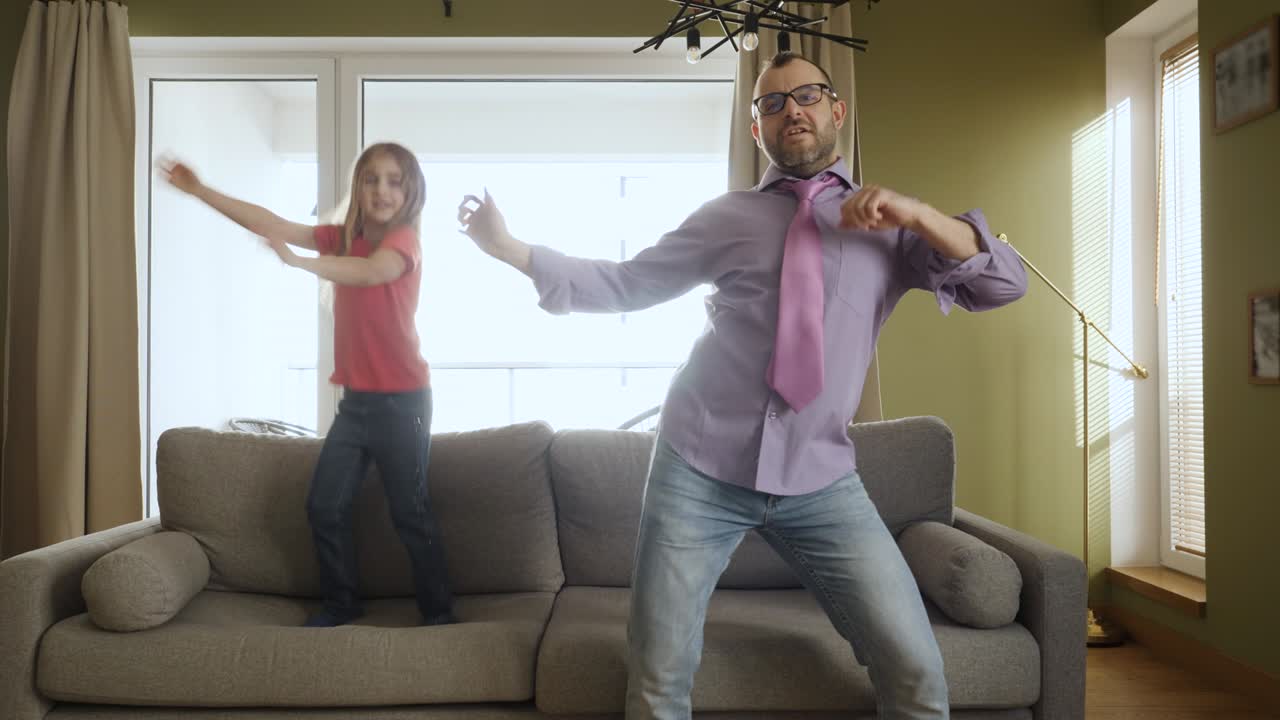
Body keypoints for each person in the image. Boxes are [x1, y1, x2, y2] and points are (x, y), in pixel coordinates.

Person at [458, 51, 1027, 719]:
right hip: (696, 467)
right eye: (772, 103)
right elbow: (627, 283)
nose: (792, 111)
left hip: (820, 477)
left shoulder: (891, 230)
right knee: (657, 678)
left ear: (837, 110)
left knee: (916, 669)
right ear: (757, 129)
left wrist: (919, 213)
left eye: (807, 95)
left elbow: (1003, 283)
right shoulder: (726, 217)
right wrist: (511, 250)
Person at [159, 142, 456, 628]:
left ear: (410, 192)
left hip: (405, 404)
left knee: (410, 511)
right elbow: (272, 223)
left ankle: (439, 613)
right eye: (371, 179)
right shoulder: (341, 238)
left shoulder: (405, 242)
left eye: (394, 181)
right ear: (358, 187)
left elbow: (369, 273)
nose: (381, 190)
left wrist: (298, 263)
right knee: (324, 505)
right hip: (356, 406)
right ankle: (342, 603)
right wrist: (200, 191)